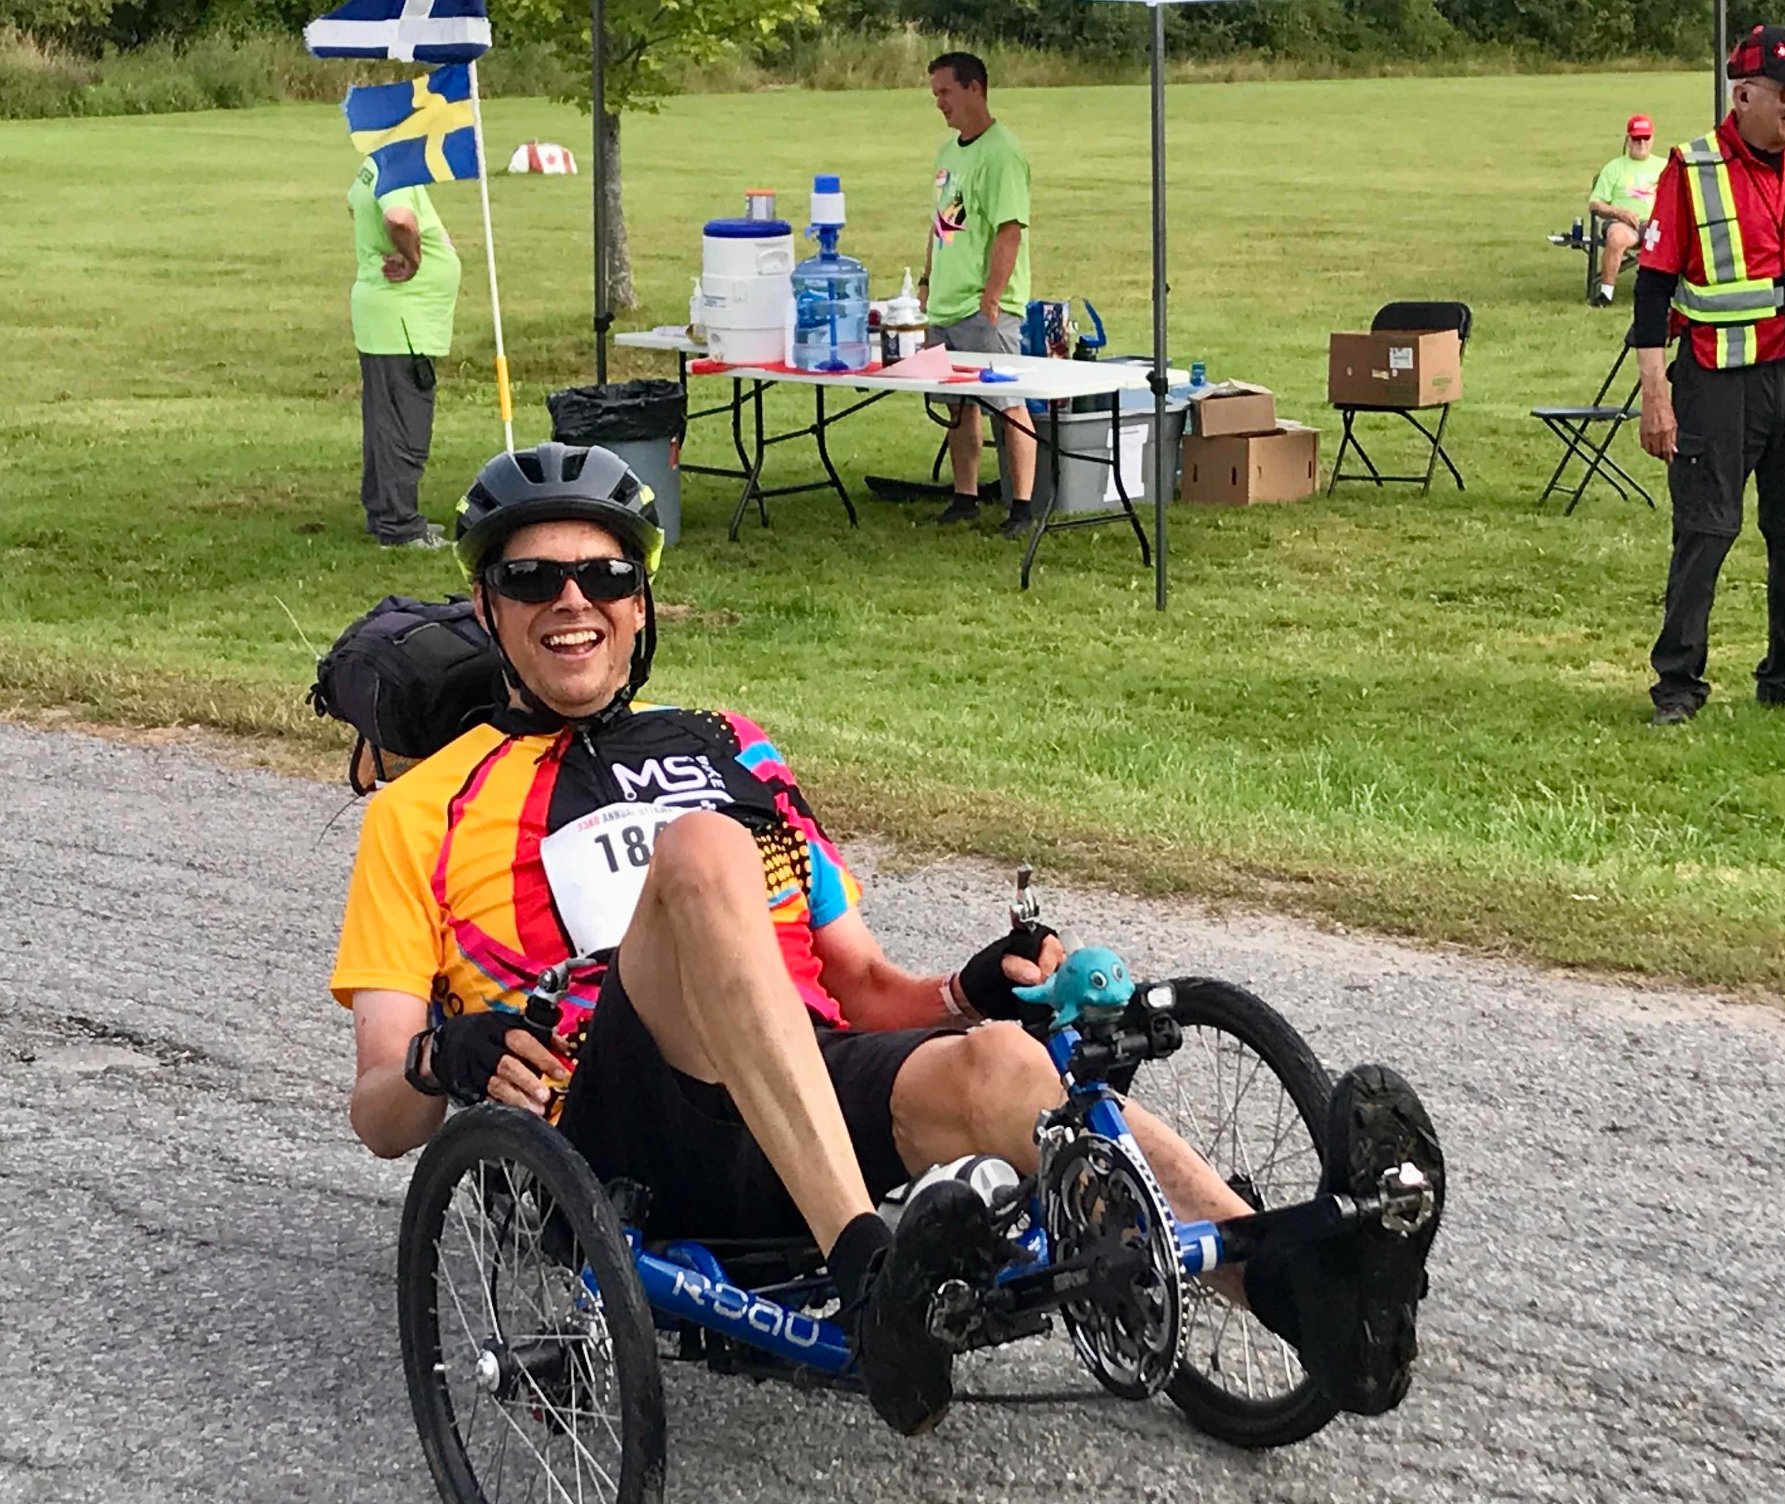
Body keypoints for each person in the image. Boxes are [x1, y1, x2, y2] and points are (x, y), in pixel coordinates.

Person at [330, 441, 1447, 1437]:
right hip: (616, 1121)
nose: (572, 600)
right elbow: (382, 1111)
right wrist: (443, 1056)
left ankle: (1301, 1281)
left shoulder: (735, 751)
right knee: (703, 857)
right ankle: (872, 1276)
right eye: (533, 578)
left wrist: (966, 985)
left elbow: (861, 986)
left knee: (1012, 1064)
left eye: (605, 574)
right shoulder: (420, 809)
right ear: (487, 607)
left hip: (802, 1083)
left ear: (639, 601)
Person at [1633, 24, 1785, 727]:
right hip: (1716, 380)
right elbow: (1651, 290)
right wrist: (1656, 398)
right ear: (1743, 95)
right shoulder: (1692, 169)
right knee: (1707, 531)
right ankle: (1678, 684)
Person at [920, 52, 1036, 539]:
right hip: (945, 302)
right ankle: (965, 495)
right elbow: (942, 222)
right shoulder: (950, 153)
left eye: (945, 92)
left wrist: (994, 295)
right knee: (958, 404)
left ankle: (1024, 506)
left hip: (984, 306)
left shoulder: (1003, 154)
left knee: (1007, 402)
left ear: (974, 89)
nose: (940, 104)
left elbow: (1009, 231)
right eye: (935, 95)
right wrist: (927, 279)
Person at [348, 155, 461, 549]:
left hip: (388, 320)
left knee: (384, 421)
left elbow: (356, 208)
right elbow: (399, 219)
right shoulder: (396, 164)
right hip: (402, 323)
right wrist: (413, 258)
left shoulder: (373, 165)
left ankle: (385, 514)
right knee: (404, 426)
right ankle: (400, 527)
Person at [1588, 115, 1663, 306]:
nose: (1641, 143)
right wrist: (1619, 213)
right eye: (1637, 138)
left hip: (1655, 223)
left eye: (1646, 138)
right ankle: (1606, 293)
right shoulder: (1614, 168)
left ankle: (1668, 294)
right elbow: (1595, 204)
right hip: (1623, 223)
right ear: (1628, 140)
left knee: (1678, 237)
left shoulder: (1665, 166)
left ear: (1652, 138)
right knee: (1617, 236)